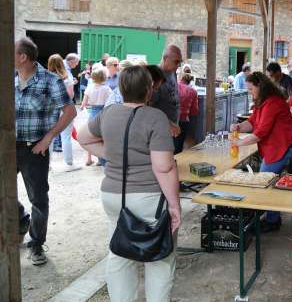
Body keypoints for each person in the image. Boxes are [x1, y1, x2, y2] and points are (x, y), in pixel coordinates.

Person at [77, 65, 181, 302]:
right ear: (149, 90)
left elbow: (83, 137)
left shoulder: (108, 113)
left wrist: (111, 154)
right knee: (160, 257)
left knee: (119, 252)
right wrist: (174, 205)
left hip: (113, 195)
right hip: (148, 198)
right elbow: (163, 166)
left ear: (121, 88)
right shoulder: (155, 117)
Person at [15, 37, 77, 265]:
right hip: (10, 148)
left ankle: (36, 244)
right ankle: (21, 219)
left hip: (35, 149)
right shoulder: (10, 80)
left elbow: (70, 112)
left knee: (39, 199)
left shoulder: (50, 81)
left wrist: (48, 138)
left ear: (23, 56)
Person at [230, 72, 292, 232]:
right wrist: (239, 127)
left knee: (264, 180)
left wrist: (239, 142)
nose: (249, 92)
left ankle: (272, 220)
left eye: (250, 88)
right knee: (269, 181)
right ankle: (271, 215)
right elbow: (253, 122)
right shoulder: (263, 102)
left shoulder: (273, 103)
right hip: (276, 144)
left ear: (260, 86)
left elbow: (260, 132)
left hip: (283, 144)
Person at [47, 54, 80, 172]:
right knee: (66, 136)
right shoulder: (67, 78)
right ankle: (69, 162)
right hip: (66, 109)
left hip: (51, 109)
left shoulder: (46, 77)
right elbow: (71, 95)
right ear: (62, 63)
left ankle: (47, 164)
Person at [150, 45, 182, 139]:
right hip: (158, 131)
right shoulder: (154, 76)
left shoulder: (172, 73)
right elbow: (148, 107)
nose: (179, 65)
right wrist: (168, 123)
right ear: (165, 59)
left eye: (180, 62)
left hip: (171, 129)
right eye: (176, 61)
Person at [81, 67, 112, 166]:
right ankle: (103, 161)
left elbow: (83, 104)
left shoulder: (89, 88)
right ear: (104, 77)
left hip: (92, 114)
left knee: (93, 138)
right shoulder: (107, 89)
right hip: (104, 114)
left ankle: (95, 159)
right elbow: (110, 103)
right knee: (103, 139)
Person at [175, 73, 199, 154]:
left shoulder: (174, 86)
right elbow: (194, 111)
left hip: (170, 120)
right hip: (183, 120)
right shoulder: (193, 91)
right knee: (178, 146)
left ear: (181, 78)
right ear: (190, 81)